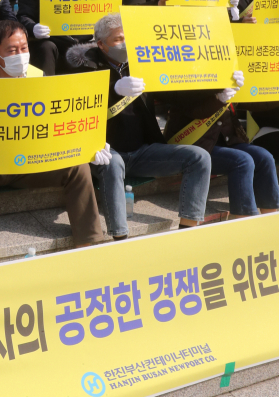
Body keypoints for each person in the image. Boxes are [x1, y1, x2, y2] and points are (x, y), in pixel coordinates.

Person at [0, 20, 106, 269]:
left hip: (36, 161)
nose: (20, 55)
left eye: (24, 48)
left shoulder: (40, 77)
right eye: (12, 50)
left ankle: (87, 246)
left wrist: (89, 144)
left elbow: (61, 123)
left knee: (79, 167)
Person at [66, 13, 213, 240]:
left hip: (142, 152)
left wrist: (218, 96)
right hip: (104, 152)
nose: (124, 43)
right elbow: (78, 100)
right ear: (101, 44)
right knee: (113, 164)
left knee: (199, 157)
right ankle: (120, 237)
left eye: (128, 37)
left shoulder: (143, 62)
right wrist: (114, 88)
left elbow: (177, 95)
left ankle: (189, 229)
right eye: (118, 39)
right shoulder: (83, 66)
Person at [160, 68, 279, 220]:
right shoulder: (188, 75)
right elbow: (194, 110)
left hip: (228, 141)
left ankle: (271, 219)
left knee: (265, 157)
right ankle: (243, 220)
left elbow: (254, 101)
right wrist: (219, 98)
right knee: (242, 161)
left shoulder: (228, 73)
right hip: (196, 144)